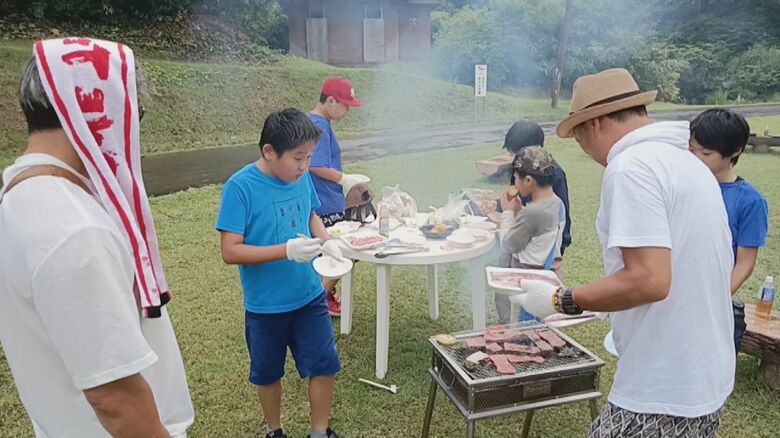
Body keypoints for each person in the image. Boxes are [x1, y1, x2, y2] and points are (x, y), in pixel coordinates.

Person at [518, 68, 735, 437]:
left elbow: (649, 280)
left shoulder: (632, 166)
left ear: (596, 124)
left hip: (664, 385)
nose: (588, 153)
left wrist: (562, 298)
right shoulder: (688, 164)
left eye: (581, 139)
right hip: (706, 374)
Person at [0, 39, 193, 437]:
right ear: (98, 111)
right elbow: (116, 399)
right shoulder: (75, 229)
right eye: (133, 113)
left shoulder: (18, 193)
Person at [217, 108, 341, 438]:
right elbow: (230, 250)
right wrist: (285, 250)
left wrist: (327, 242)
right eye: (298, 158)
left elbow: (311, 213)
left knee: (324, 364)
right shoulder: (240, 187)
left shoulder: (301, 179)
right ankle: (275, 430)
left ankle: (319, 431)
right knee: (268, 373)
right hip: (266, 305)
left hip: (309, 296)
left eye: (309, 157)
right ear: (269, 152)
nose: (304, 166)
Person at [689, 108, 769, 352]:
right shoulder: (684, 186)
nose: (696, 159)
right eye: (691, 151)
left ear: (735, 151)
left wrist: (714, 299)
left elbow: (745, 263)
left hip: (710, 297)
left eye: (706, 153)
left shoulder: (750, 202)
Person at [308, 77, 368, 317]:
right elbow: (316, 165)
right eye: (345, 105)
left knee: (334, 252)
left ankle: (325, 296)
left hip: (323, 199)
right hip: (325, 202)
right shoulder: (319, 125)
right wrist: (345, 179)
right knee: (343, 252)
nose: (347, 111)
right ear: (330, 100)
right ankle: (319, 300)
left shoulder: (317, 122)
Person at [495, 146, 566, 324]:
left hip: (527, 281)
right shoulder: (557, 203)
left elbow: (508, 244)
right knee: (540, 327)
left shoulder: (533, 213)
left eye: (516, 178)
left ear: (528, 180)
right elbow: (536, 232)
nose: (514, 183)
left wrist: (508, 212)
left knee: (522, 330)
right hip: (546, 276)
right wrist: (520, 210)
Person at [502, 121, 572, 256]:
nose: (513, 159)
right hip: (524, 232)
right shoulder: (521, 167)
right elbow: (514, 197)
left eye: (515, 154)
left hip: (541, 244)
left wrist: (562, 242)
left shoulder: (555, 174)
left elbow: (561, 212)